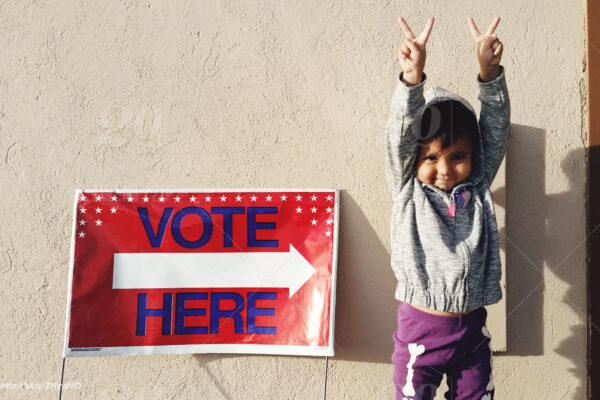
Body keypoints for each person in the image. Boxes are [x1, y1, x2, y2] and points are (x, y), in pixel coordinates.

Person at [384, 15, 511, 400]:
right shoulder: (408, 188)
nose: (444, 170)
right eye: (432, 158)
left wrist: (489, 74)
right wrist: (411, 79)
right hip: (419, 332)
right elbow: (400, 136)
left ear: (474, 156)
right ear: (414, 159)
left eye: (457, 156)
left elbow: (496, 127)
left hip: (472, 329)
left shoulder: (476, 184)